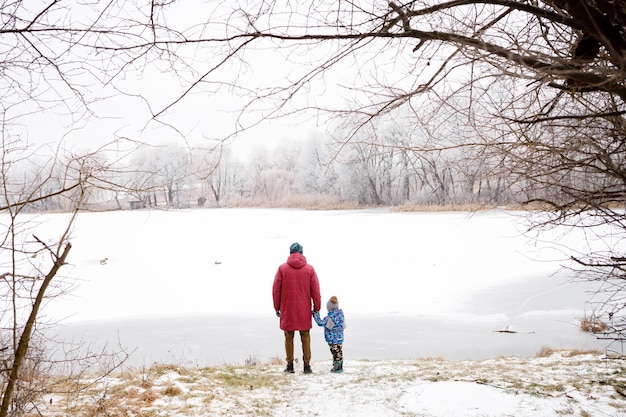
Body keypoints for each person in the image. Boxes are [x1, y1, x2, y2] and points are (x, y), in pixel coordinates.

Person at [272, 242, 321, 374]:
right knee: (305, 336)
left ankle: (290, 365)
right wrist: (317, 308)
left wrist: (277, 307)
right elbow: (315, 291)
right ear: (302, 253)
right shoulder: (310, 270)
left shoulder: (282, 269)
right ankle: (307, 366)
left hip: (287, 309)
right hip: (304, 309)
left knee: (289, 336)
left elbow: (276, 290)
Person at [313, 295, 345, 373]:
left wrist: (316, 315)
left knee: (334, 352)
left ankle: (336, 367)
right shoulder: (341, 315)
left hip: (332, 339)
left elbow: (320, 323)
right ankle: (340, 366)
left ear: (329, 308)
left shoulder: (329, 318)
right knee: (339, 351)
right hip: (340, 338)